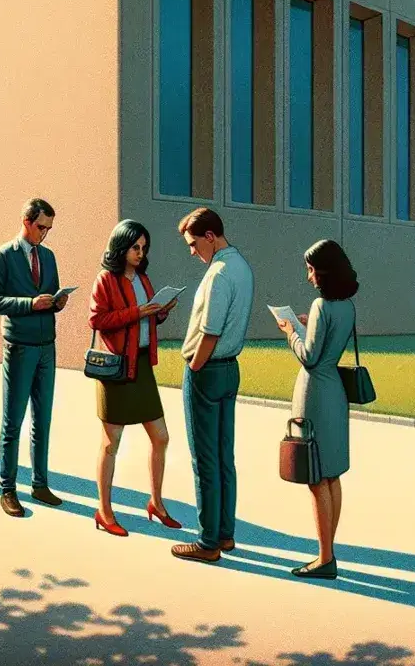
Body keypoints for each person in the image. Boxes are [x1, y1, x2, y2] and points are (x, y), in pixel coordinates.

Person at [88, 219, 180, 536]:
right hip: (115, 369)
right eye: (135, 247)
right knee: (111, 443)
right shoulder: (106, 280)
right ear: (121, 247)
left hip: (141, 367)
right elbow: (97, 320)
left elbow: (151, 317)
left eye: (144, 248)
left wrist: (162, 309)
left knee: (161, 437)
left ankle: (156, 502)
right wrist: (138, 313)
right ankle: (105, 510)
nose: (140, 253)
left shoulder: (143, 279)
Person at [172, 208, 254, 564]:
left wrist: (194, 363)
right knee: (224, 456)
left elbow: (211, 330)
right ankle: (225, 533)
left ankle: (208, 541)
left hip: (206, 370)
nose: (192, 252)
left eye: (193, 244)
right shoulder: (242, 267)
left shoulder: (218, 274)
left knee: (204, 458)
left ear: (210, 236)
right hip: (230, 369)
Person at [274, 240, 359, 579]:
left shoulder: (322, 305)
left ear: (323, 271)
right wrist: (311, 326)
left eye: (311, 269)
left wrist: (291, 331)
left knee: (315, 476)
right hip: (335, 393)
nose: (309, 276)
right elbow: (328, 342)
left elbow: (309, 357)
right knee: (332, 473)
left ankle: (324, 558)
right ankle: (329, 549)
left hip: (315, 394)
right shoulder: (347, 306)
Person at [0, 198, 68, 517]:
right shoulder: (3, 256)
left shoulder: (48, 256)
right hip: (19, 346)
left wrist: (57, 303)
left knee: (43, 419)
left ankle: (40, 484)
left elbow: (52, 294)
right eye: (41, 227)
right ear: (26, 222)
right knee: (13, 420)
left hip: (47, 346)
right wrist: (30, 305)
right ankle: (8, 488)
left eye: (49, 229)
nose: (45, 234)